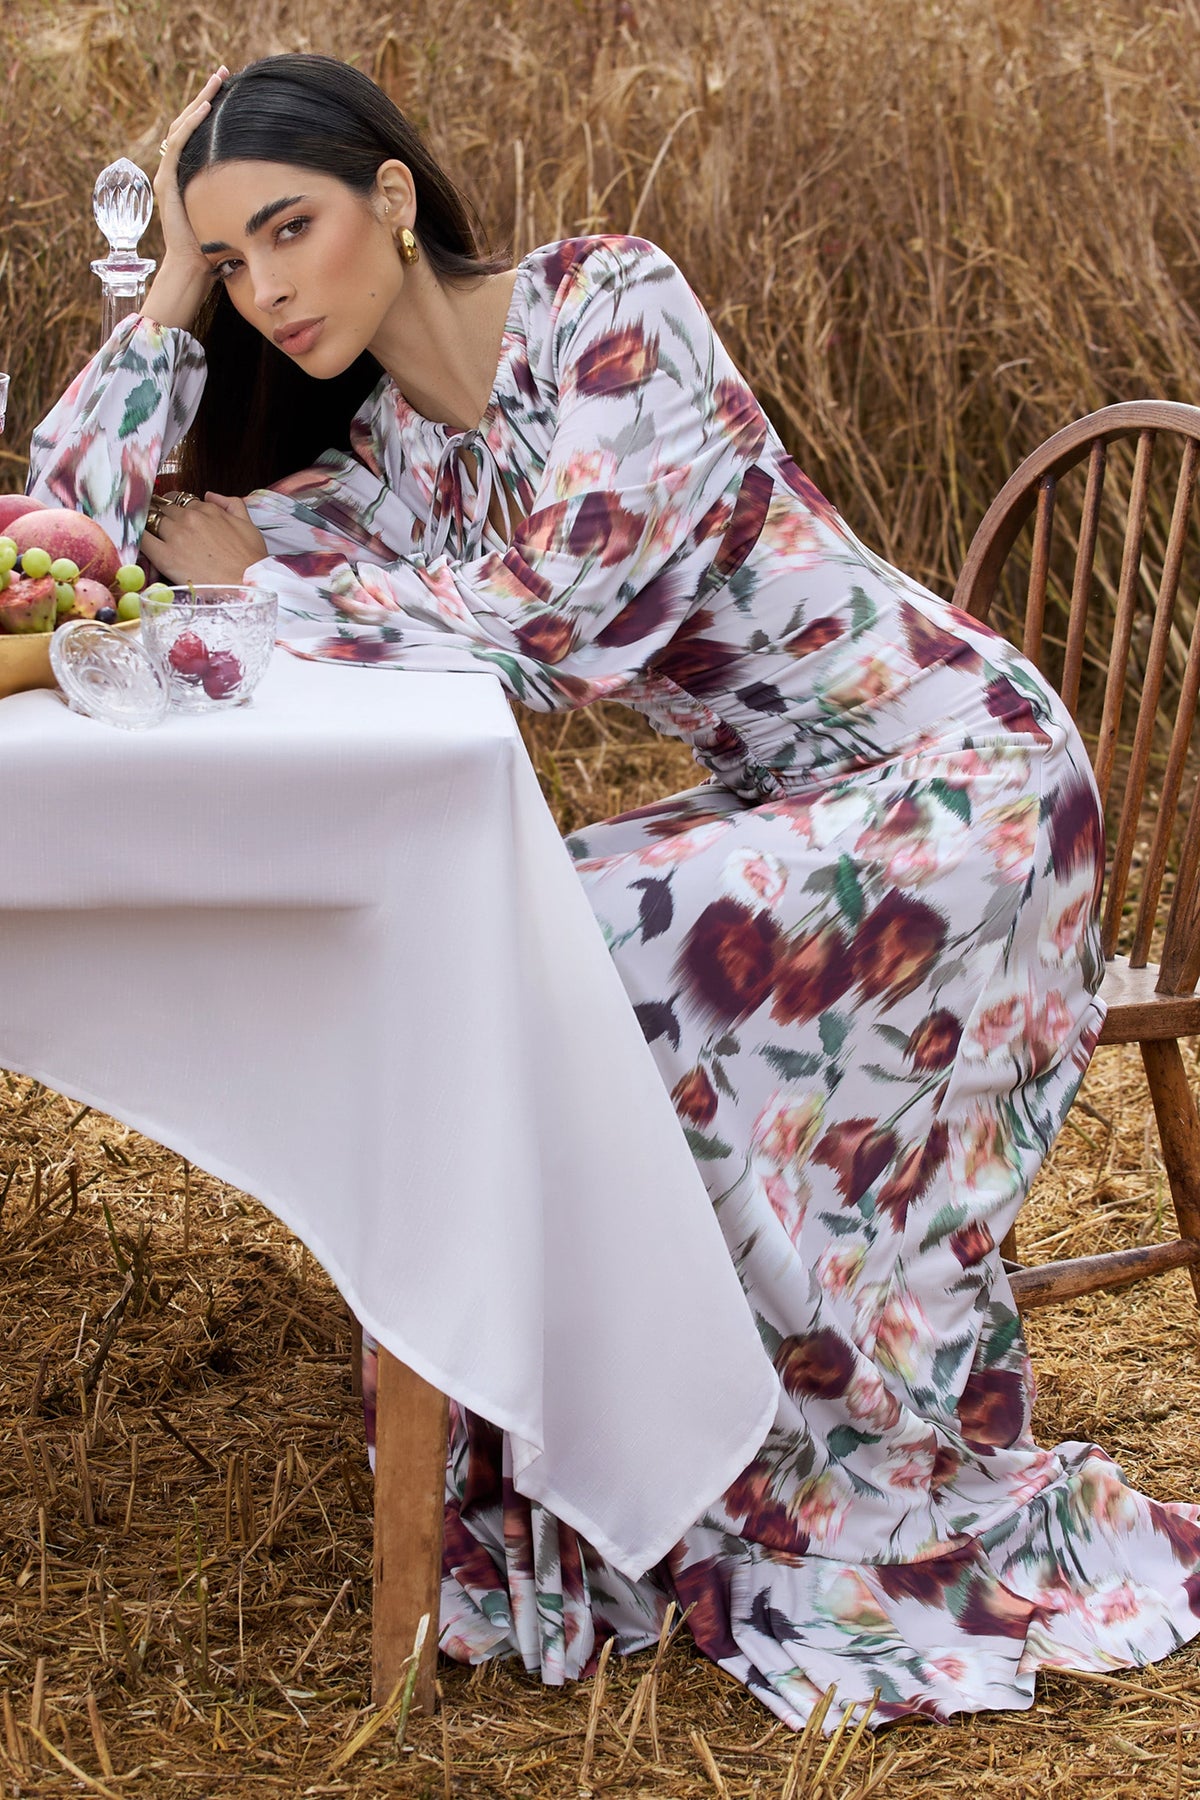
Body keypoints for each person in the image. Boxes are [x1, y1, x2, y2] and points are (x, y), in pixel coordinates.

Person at [28, 53, 1200, 1729]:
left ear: (392, 198)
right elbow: (71, 539)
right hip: (796, 801)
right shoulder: (387, 463)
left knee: (559, 944)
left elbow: (550, 624)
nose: (268, 289)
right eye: (232, 261)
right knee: (498, 935)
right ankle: (577, 1445)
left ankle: (693, 1441)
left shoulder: (607, 309)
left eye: (288, 229)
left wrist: (280, 588)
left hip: (966, 787)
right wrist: (158, 303)